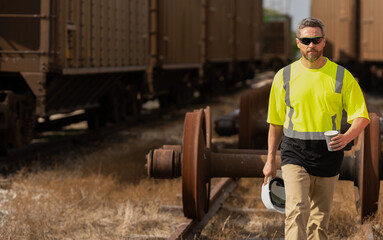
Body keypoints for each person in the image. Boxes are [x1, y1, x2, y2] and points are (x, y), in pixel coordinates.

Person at [262, 18, 370, 240]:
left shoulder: (342, 76)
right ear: (298, 43)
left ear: (324, 42)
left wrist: (348, 136)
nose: (311, 45)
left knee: (320, 221)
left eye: (316, 40)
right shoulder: (284, 76)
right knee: (296, 208)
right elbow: (275, 122)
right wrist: (270, 159)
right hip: (294, 152)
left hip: (328, 154)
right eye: (306, 40)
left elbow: (362, 116)